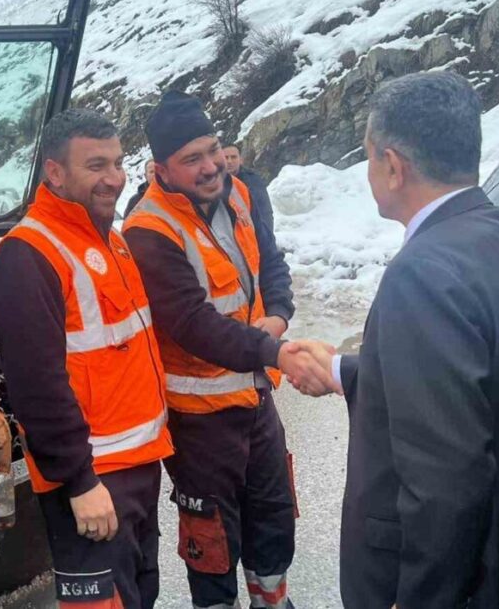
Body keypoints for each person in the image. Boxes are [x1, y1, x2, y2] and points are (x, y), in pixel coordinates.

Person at [290, 72, 499, 608]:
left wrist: (418, 597)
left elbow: (446, 478)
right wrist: (346, 371)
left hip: (454, 582)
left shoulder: (423, 272)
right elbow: (475, 383)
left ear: (393, 166)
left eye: (370, 158)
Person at [123, 91, 329, 609]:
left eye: (213, 149)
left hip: (255, 399)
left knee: (274, 513)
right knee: (212, 539)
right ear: (160, 168)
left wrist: (278, 318)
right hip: (199, 419)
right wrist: (273, 352)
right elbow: (194, 325)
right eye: (192, 158)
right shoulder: (148, 231)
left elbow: (272, 267)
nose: (210, 165)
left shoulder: (239, 194)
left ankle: (272, 601)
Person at [0, 109, 174, 609]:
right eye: (96, 166)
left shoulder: (108, 239)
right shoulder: (28, 254)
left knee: (138, 592)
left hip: (136, 465)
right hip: (93, 478)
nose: (114, 178)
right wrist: (79, 480)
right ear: (55, 173)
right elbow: (36, 386)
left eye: (117, 163)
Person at [223, 142, 276, 244]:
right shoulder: (211, 183)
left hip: (253, 238)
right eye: (226, 157)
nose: (229, 161)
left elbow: (265, 214)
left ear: (240, 160)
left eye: (233, 157)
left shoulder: (253, 181)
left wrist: (267, 242)